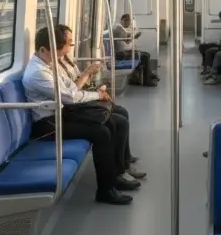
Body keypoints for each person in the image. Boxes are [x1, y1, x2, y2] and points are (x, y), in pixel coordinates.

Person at [23, 25, 139, 205]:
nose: (64, 53)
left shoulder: (50, 63)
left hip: (62, 115)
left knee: (112, 121)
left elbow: (71, 87)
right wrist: (97, 95)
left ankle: (115, 177)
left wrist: (89, 88)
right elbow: (69, 96)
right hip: (48, 125)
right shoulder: (38, 73)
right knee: (102, 133)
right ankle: (105, 191)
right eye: (62, 48)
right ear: (43, 49)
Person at [59, 51, 146, 179]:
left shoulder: (67, 61)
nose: (70, 47)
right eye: (68, 42)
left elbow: (77, 84)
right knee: (114, 122)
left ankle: (124, 161)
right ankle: (119, 170)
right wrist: (88, 76)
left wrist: (92, 83)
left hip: (77, 101)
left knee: (121, 112)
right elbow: (71, 94)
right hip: (70, 107)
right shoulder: (49, 69)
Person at [112, 14, 158, 86]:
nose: (128, 23)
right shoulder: (118, 28)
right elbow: (127, 40)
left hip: (123, 52)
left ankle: (148, 74)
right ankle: (146, 80)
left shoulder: (121, 28)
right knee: (144, 57)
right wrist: (135, 37)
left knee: (146, 54)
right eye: (126, 20)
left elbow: (127, 37)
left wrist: (134, 35)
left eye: (129, 21)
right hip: (120, 55)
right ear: (121, 20)